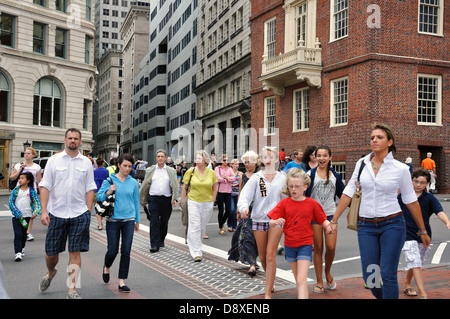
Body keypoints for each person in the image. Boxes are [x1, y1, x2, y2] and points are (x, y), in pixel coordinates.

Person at [330, 123, 430, 299]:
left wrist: (422, 230)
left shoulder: (400, 169)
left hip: (392, 224)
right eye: (372, 137)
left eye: (379, 137)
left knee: (388, 274)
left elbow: (410, 200)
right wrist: (334, 220)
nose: (374, 140)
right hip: (366, 226)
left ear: (390, 142)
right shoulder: (362, 164)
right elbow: (348, 192)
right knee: (371, 276)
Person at [38, 128, 96, 299]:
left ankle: (72, 289)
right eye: (70, 138)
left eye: (76, 138)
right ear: (65, 140)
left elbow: (90, 187)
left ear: (80, 141)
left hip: (79, 213)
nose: (73, 141)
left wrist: (88, 209)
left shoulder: (86, 162)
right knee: (51, 253)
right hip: (57, 212)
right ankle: (50, 273)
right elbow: (45, 186)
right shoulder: (54, 161)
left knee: (75, 252)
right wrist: (43, 211)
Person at [269, 168, 332, 299]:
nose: (293, 189)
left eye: (297, 186)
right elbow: (271, 222)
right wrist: (275, 222)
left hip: (305, 245)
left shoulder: (312, 204)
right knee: (298, 280)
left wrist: (328, 227)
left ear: (305, 187)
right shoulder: (284, 203)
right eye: (291, 186)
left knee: (301, 280)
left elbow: (322, 219)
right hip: (289, 246)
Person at [238, 146, 286, 299]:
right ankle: (270, 282)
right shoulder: (256, 177)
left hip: (277, 220)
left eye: (271, 157)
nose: (268, 160)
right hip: (259, 219)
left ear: (277, 159)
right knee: (264, 257)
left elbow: (289, 198)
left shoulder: (283, 177)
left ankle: (267, 292)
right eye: (265, 157)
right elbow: (245, 196)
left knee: (271, 255)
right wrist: (244, 208)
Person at [399, 167, 450, 299]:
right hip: (406, 234)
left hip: (424, 235)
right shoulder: (403, 196)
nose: (418, 185)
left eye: (422, 182)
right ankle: (422, 293)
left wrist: (447, 222)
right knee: (414, 261)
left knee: (416, 263)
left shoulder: (430, 198)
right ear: (411, 181)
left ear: (427, 183)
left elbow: (439, 211)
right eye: (416, 181)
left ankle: (407, 283)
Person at [97, 153, 140, 293]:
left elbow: (136, 201)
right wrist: (109, 191)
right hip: (113, 220)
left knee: (126, 251)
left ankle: (122, 281)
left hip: (129, 220)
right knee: (112, 251)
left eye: (129, 166)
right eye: (124, 166)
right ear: (119, 165)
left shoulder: (133, 182)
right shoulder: (109, 180)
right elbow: (99, 196)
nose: (127, 169)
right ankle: (106, 266)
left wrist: (137, 220)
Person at [305, 146, 345, 294]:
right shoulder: (309, 174)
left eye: (324, 155)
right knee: (319, 248)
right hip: (314, 217)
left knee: (331, 247)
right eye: (319, 156)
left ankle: (327, 271)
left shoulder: (335, 175)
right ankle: (319, 281)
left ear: (330, 157)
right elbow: (302, 195)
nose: (321, 158)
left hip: (330, 216)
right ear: (315, 157)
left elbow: (343, 194)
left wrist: (354, 210)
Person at [180, 151, 218, 262]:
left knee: (202, 227)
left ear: (205, 160)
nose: (197, 160)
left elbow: (215, 188)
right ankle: (196, 251)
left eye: (199, 158)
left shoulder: (211, 173)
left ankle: (197, 245)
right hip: (193, 202)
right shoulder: (190, 171)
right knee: (194, 226)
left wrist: (212, 201)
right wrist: (182, 201)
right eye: (196, 158)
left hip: (207, 203)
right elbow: (184, 187)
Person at [139, 149, 179, 253]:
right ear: (156, 158)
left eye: (162, 156)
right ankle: (154, 244)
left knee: (164, 222)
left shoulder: (171, 171)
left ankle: (161, 239)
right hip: (153, 199)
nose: (160, 158)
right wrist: (142, 199)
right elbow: (145, 185)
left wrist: (174, 198)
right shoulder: (150, 170)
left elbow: (175, 185)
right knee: (154, 221)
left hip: (166, 199)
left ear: (165, 158)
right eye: (158, 156)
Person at [228, 151, 259, 276]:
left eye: (249, 162)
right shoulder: (243, 177)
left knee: (257, 237)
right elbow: (241, 193)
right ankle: (251, 264)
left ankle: (253, 259)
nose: (247, 164)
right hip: (246, 211)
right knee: (247, 235)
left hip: (258, 211)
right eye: (245, 162)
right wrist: (238, 210)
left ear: (255, 162)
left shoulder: (260, 176)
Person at [10, 147, 41, 241]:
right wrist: (20, 169)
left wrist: (39, 193)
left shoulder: (36, 167)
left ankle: (27, 232)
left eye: (29, 153)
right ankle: (22, 230)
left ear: (33, 155)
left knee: (30, 213)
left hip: (31, 192)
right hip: (19, 192)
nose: (26, 155)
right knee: (19, 211)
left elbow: (39, 181)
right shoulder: (19, 165)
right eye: (25, 153)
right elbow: (12, 178)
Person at [9, 172, 40, 261]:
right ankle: (18, 253)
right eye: (20, 178)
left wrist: (35, 212)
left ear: (28, 180)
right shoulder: (16, 190)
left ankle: (22, 248)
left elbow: (36, 202)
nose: (20, 180)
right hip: (16, 217)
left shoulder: (31, 191)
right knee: (17, 234)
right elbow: (11, 202)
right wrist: (17, 214)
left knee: (23, 234)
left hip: (26, 216)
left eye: (22, 178)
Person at [215, 154, 237, 235]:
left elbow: (233, 178)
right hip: (220, 191)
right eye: (224, 160)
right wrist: (226, 179)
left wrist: (226, 178)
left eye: (227, 160)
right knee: (221, 210)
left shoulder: (230, 169)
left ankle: (222, 222)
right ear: (221, 161)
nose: (226, 162)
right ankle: (221, 227)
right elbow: (217, 178)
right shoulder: (217, 168)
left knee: (228, 210)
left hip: (228, 191)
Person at [94, 157, 110, 230]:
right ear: (103, 163)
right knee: (103, 207)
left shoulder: (94, 171)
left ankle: (99, 224)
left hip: (96, 190)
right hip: (104, 191)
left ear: (96, 164)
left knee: (97, 208)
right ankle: (100, 223)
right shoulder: (106, 171)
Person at [227, 159, 242, 232]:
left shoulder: (240, 173)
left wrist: (237, 184)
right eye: (235, 164)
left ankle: (235, 225)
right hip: (230, 193)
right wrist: (231, 183)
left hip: (238, 193)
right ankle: (230, 224)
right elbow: (226, 181)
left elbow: (242, 183)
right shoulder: (229, 172)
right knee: (232, 209)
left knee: (237, 210)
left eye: (238, 164)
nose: (237, 166)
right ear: (232, 165)